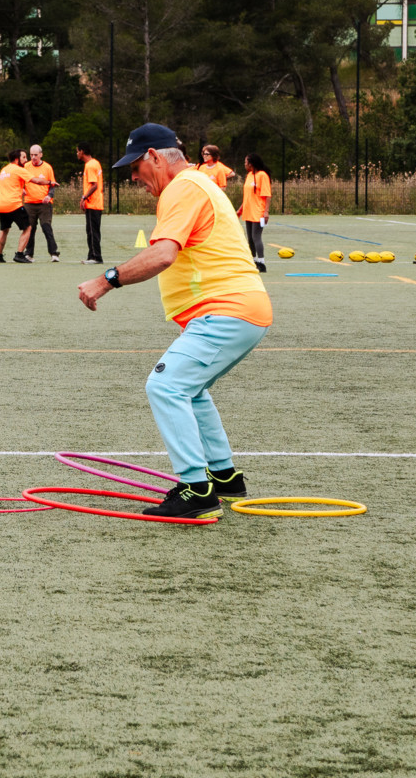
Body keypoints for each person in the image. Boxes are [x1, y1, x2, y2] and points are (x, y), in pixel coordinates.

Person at [77, 123, 271, 520]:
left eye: (135, 167)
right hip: (239, 311)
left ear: (154, 156)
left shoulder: (182, 188)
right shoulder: (196, 184)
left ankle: (197, 493)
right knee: (191, 390)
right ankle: (224, 477)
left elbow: (163, 254)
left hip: (227, 311)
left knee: (165, 386)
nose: (134, 177)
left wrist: (105, 280)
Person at [0, 149, 33, 264]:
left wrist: (21, 190)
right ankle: (19, 254)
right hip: (13, 204)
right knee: (27, 228)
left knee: (4, 230)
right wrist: (49, 182)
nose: (26, 160)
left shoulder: (4, 170)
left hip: (1, 204)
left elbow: (9, 185)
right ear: (17, 159)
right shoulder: (18, 169)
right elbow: (34, 180)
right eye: (24, 157)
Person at [23, 144, 60, 262]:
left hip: (44, 204)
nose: (33, 157)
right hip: (29, 203)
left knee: (46, 227)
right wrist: (21, 189)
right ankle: (29, 254)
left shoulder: (47, 167)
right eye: (31, 155)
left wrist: (49, 196)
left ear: (41, 155)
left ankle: (54, 253)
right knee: (30, 229)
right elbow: (20, 181)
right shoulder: (25, 166)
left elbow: (52, 184)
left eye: (35, 155)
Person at [239, 153, 272, 273]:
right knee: (250, 238)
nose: (244, 164)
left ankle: (262, 263)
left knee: (256, 236)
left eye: (246, 162)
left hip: (258, 211)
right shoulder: (249, 175)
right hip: (248, 211)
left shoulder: (262, 175)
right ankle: (253, 261)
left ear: (251, 164)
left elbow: (267, 195)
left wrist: (266, 212)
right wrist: (240, 209)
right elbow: (248, 196)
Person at [77, 142, 103, 264]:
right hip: (94, 203)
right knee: (91, 231)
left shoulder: (90, 165)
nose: (77, 154)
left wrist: (84, 197)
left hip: (93, 203)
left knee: (93, 232)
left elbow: (94, 185)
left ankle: (96, 257)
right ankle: (91, 255)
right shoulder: (95, 163)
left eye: (77, 151)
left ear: (82, 152)